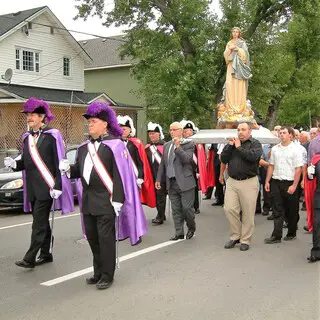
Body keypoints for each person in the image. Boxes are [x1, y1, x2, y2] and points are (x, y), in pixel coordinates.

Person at [59, 102, 147, 290]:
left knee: (105, 239)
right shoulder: (83, 148)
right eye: (88, 122)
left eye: (93, 121)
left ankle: (108, 274)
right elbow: (81, 172)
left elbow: (120, 175)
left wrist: (117, 199)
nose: (89, 125)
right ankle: (98, 271)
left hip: (107, 201)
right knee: (92, 238)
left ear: (105, 124)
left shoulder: (114, 146)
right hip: (88, 201)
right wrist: (68, 169)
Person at [4, 97, 74, 268]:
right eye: (28, 115)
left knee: (38, 223)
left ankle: (30, 258)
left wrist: (58, 185)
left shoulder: (53, 135)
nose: (29, 118)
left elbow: (60, 162)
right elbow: (27, 161)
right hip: (33, 187)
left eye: (33, 115)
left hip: (47, 187)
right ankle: (46, 253)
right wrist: (15, 164)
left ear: (42, 117)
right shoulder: (27, 137)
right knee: (41, 221)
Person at [220, 122, 262, 251]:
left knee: (248, 212)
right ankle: (235, 235)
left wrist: (239, 148)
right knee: (229, 209)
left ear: (250, 131)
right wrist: (229, 146)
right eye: (238, 130)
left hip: (249, 181)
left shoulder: (255, 143)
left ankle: (245, 240)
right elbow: (224, 159)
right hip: (232, 181)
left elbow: (252, 157)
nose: (240, 132)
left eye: (243, 129)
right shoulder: (233, 144)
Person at [156, 122, 196, 240]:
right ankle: (179, 232)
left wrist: (178, 147)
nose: (172, 132)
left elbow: (187, 159)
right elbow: (163, 164)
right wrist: (159, 179)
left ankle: (191, 227)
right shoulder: (167, 145)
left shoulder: (188, 143)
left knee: (187, 208)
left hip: (185, 182)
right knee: (176, 209)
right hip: (171, 182)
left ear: (181, 131)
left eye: (174, 129)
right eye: (170, 130)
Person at [264, 127, 303, 244]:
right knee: (277, 209)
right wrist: (267, 181)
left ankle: (291, 232)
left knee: (292, 209)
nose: (281, 135)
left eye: (284, 133)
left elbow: (298, 169)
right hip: (276, 181)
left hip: (290, 182)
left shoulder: (296, 150)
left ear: (290, 135)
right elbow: (271, 165)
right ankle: (276, 235)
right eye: (280, 133)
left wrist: (294, 185)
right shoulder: (275, 149)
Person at [117, 115, 156, 208]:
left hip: (133, 177)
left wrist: (140, 177)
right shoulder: (115, 143)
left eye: (125, 129)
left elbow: (140, 162)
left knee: (134, 203)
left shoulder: (135, 144)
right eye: (120, 129)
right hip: (119, 177)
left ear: (130, 130)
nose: (122, 131)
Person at [220, 27, 253, 122]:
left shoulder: (242, 43)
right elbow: (226, 55)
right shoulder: (229, 43)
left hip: (239, 67)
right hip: (231, 66)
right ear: (232, 33)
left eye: (236, 32)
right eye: (233, 32)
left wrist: (237, 49)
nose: (235, 33)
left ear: (239, 33)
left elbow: (246, 55)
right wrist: (229, 50)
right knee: (229, 85)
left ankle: (240, 108)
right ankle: (230, 108)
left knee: (239, 86)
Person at [180, 119, 207, 214]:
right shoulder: (181, 142)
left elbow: (200, 159)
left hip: (193, 169)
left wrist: (198, 171)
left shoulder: (197, 143)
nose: (188, 132)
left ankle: (196, 207)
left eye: (190, 131)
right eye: (186, 131)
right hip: (183, 169)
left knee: (194, 189)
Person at [145, 122, 167, 225]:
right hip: (151, 175)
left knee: (160, 195)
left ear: (159, 134)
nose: (151, 135)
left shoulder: (165, 146)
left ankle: (160, 217)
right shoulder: (147, 148)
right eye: (150, 134)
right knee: (157, 195)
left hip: (162, 175)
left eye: (154, 133)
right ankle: (162, 213)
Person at [306, 152, 320, 262]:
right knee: (317, 224)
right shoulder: (317, 159)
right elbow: (311, 179)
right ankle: (316, 251)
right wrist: (309, 174)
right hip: (319, 197)